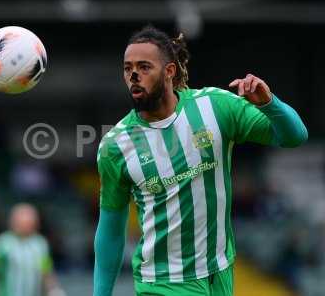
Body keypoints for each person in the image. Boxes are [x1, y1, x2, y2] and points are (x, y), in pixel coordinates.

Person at [93, 25, 308, 296]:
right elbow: (111, 230)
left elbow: (294, 136)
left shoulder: (215, 107)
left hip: (219, 273)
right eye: (128, 68)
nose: (134, 75)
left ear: (169, 71)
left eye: (144, 67)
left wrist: (269, 103)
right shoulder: (116, 146)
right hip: (164, 282)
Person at [0, 203, 66, 296]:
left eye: (30, 222)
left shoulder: (40, 244)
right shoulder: (1, 244)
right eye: (23, 222)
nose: (27, 226)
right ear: (13, 222)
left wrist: (54, 290)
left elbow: (46, 271)